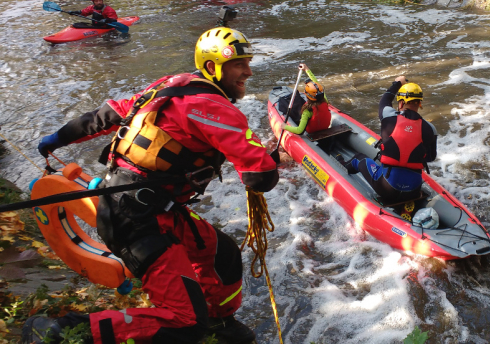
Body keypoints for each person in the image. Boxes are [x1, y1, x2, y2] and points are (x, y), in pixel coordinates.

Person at [25, 26, 279, 344]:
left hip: (144, 207)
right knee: (185, 324)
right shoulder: (216, 109)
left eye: (247, 62)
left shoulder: (170, 86)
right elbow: (259, 178)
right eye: (239, 65)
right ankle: (61, 332)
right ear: (213, 68)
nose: (248, 72)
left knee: (221, 253)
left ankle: (218, 322)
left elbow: (108, 115)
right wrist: (272, 160)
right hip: (139, 222)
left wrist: (58, 139)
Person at [339, 77, 437, 214]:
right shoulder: (430, 129)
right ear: (419, 103)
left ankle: (340, 166)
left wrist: (397, 83)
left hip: (387, 189)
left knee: (359, 159)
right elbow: (431, 157)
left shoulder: (389, 117)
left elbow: (385, 100)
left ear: (401, 103)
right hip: (414, 190)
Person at [282, 63, 331, 135]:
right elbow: (316, 83)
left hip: (312, 133)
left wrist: (285, 126)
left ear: (307, 95)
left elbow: (299, 131)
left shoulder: (307, 110)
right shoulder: (325, 101)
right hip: (324, 128)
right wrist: (307, 69)